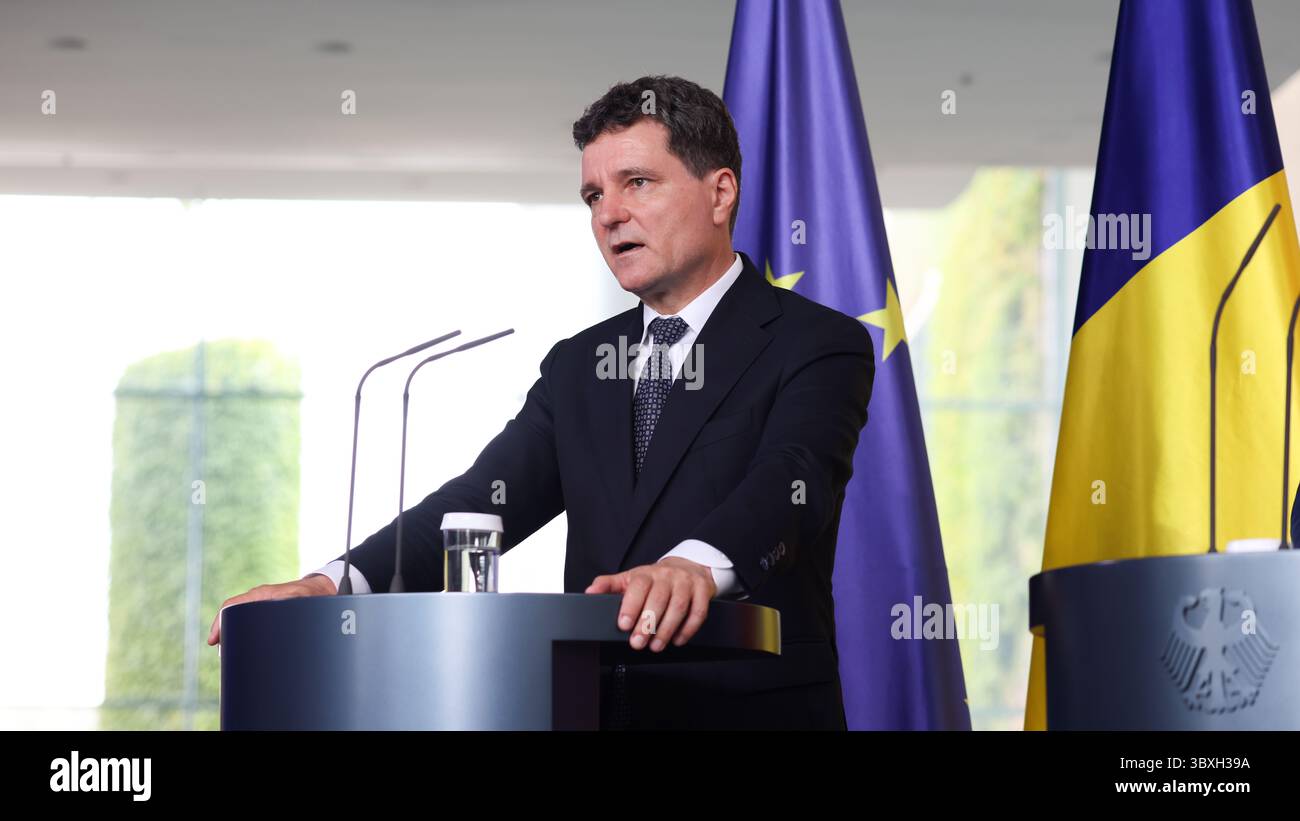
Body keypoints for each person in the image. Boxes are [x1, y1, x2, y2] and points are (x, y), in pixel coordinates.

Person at [208, 75, 875, 730]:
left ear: (720, 192)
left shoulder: (816, 343)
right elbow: (478, 501)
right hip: (592, 712)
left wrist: (690, 565)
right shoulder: (577, 364)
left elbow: (792, 482)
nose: (609, 214)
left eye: (637, 183)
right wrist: (333, 583)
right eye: (593, 195)